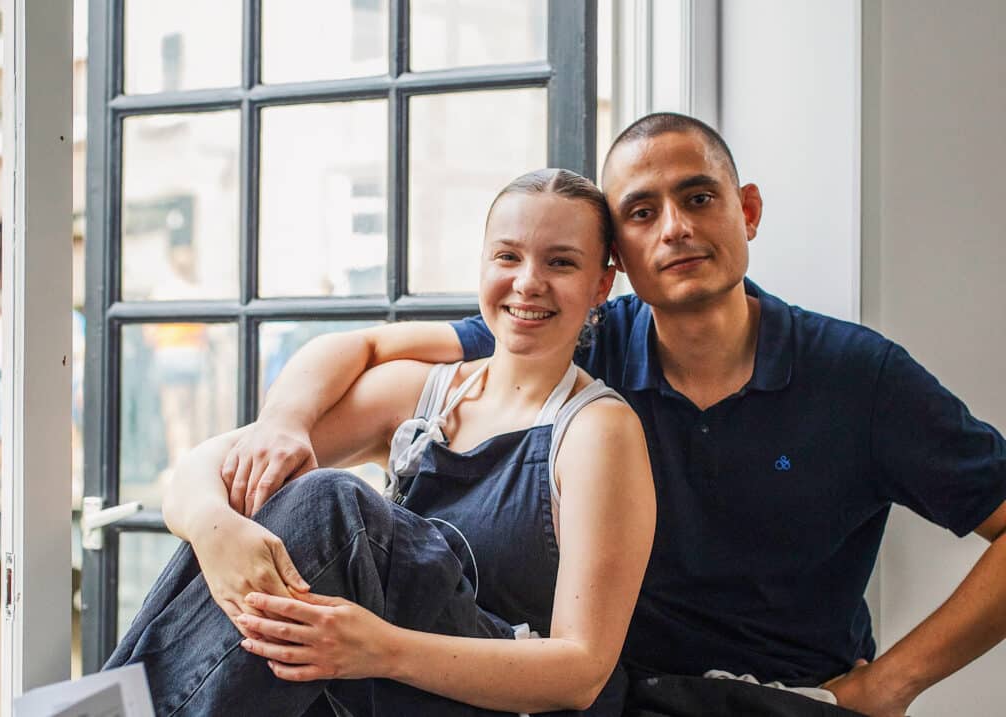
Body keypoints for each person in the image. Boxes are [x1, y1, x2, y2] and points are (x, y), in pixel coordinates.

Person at [222, 113, 1006, 717]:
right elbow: (364, 348)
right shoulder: (581, 338)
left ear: (749, 210)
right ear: (616, 263)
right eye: (641, 212)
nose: (675, 228)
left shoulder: (858, 377)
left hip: (789, 698)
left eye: (699, 197)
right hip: (613, 696)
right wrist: (280, 422)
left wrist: (896, 680)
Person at [106, 169, 656, 716]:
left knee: (333, 506)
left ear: (601, 285)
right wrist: (214, 527)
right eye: (508, 257)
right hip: (382, 691)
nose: (528, 282)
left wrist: (378, 650)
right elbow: (213, 465)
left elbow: (580, 674)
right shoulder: (426, 392)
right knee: (260, 491)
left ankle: (103, 707)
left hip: (499, 701)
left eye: (560, 262)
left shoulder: (597, 431)